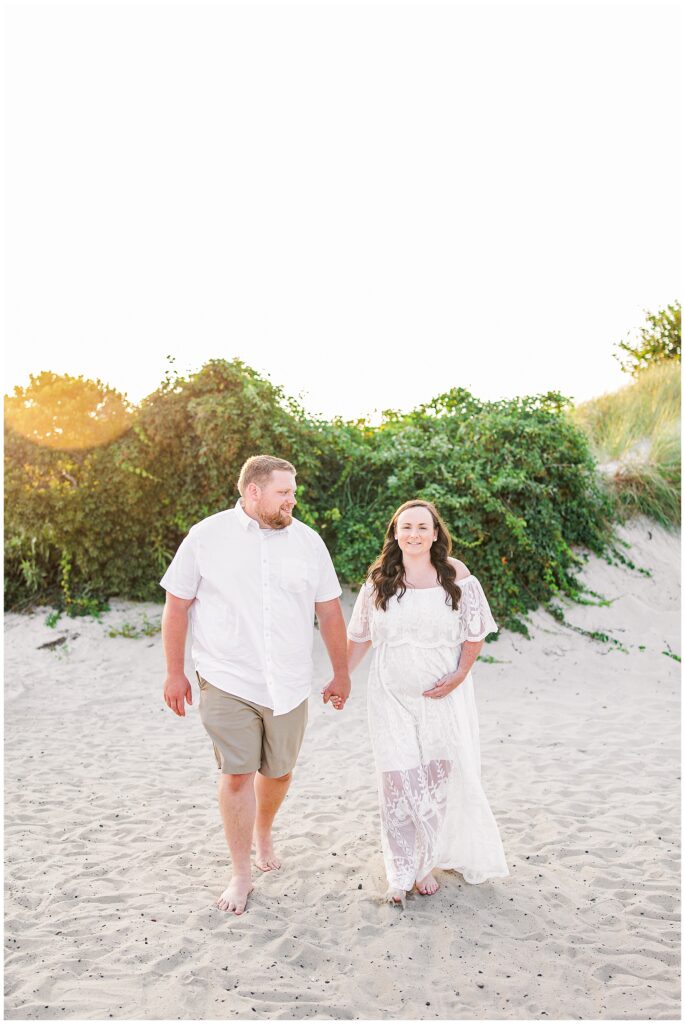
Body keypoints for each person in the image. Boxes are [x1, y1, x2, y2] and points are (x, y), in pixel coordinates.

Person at [160, 455, 351, 916]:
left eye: (293, 491)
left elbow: (328, 612)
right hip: (227, 677)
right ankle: (240, 872)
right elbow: (177, 605)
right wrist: (174, 671)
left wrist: (341, 672)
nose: (293, 499)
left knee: (279, 772)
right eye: (284, 491)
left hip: (288, 681)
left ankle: (263, 829)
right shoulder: (207, 537)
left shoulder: (308, 542)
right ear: (253, 492)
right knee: (237, 773)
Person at [346, 499, 509, 903]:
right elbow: (360, 636)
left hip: (442, 695)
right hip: (388, 694)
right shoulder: (380, 579)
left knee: (435, 779)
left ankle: (424, 864)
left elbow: (475, 632)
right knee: (397, 780)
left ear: (436, 533)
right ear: (395, 533)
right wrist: (340, 677)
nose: (414, 534)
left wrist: (459, 674)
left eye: (423, 527)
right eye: (406, 527)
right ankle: (401, 871)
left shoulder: (456, 575)